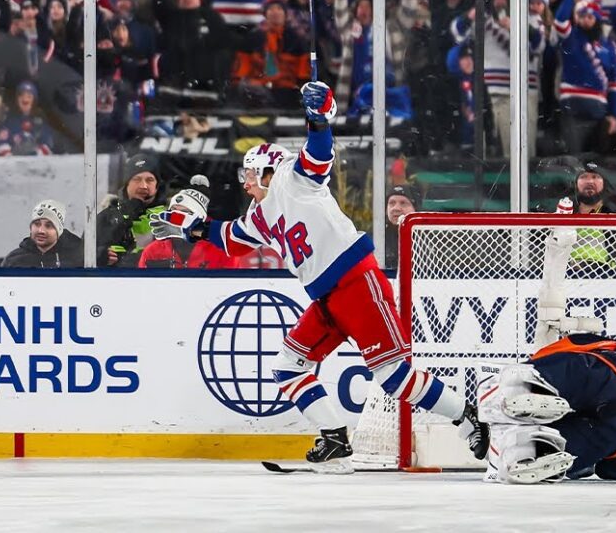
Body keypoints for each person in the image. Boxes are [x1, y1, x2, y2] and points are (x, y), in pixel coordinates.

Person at [151, 81, 489, 471]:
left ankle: (467, 418)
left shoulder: (293, 178)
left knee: (393, 377)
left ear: (268, 169)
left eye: (249, 173)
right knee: (287, 366)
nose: (244, 182)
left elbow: (319, 154)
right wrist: (193, 229)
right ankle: (335, 439)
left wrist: (318, 118)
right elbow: (231, 238)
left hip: (356, 284)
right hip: (327, 300)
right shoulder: (260, 215)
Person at [479, 334, 616, 484]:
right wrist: (606, 464)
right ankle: (533, 453)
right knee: (563, 444)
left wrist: (535, 368)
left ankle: (531, 389)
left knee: (554, 379)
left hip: (607, 371)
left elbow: (562, 348)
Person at [139, 176, 234, 269]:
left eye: (185, 213)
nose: (176, 217)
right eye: (173, 211)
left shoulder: (221, 251)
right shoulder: (152, 251)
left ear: (201, 218)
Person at [97, 152, 168, 267]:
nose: (143, 186)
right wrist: (99, 256)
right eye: (137, 179)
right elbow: (81, 254)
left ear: (157, 186)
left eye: (150, 180)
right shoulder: (107, 217)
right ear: (127, 184)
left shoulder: (169, 218)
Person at [1, 199, 83, 268]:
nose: (41, 230)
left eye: (49, 225)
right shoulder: (14, 260)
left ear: (59, 230)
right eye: (37, 224)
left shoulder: (79, 258)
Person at [384, 185, 420, 270]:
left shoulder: (428, 240)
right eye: (392, 203)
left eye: (403, 203)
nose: (396, 208)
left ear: (415, 209)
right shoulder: (376, 239)